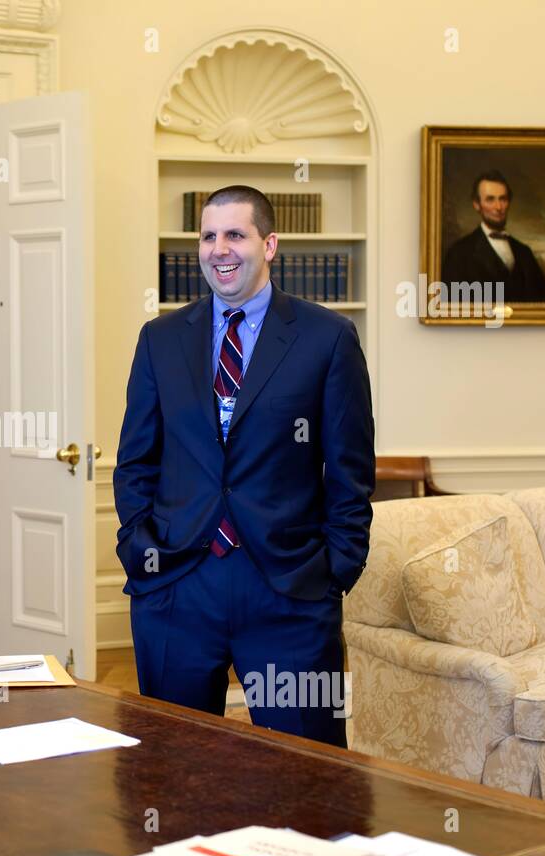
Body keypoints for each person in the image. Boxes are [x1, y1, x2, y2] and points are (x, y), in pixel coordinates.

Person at [113, 184, 375, 747]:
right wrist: (140, 548)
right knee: (170, 768)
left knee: (309, 775)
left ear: (270, 244)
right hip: (178, 586)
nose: (219, 249)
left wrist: (335, 573)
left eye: (235, 234)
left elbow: (350, 472)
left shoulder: (327, 339)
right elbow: (136, 459)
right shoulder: (160, 340)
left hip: (288, 591)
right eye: (208, 236)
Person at [441, 170, 545, 301]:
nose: (498, 206)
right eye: (490, 199)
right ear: (476, 205)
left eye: (503, 199)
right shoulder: (459, 253)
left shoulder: (524, 253)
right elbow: (450, 307)